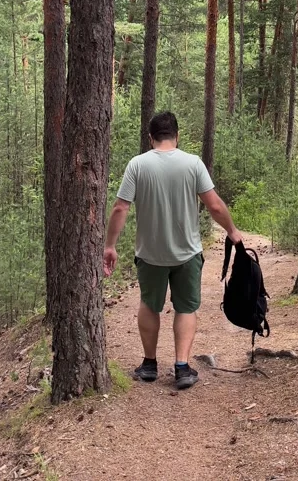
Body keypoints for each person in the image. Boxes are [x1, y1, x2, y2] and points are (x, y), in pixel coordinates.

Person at [103, 110, 242, 390]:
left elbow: (120, 207)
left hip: (150, 254)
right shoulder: (193, 164)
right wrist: (232, 230)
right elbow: (214, 205)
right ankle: (182, 367)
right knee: (186, 307)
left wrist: (110, 246)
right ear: (176, 136)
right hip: (187, 254)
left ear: (151, 137)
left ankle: (149, 365)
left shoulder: (137, 165)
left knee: (149, 305)